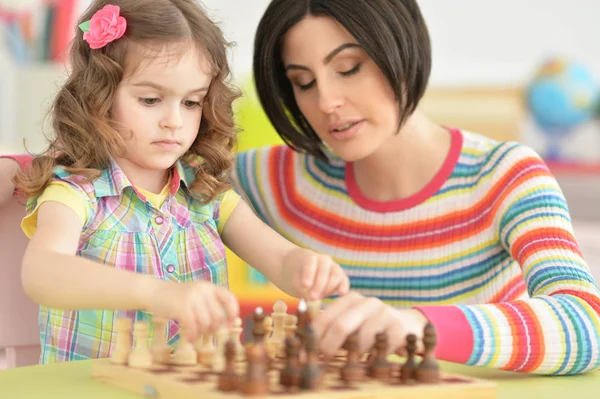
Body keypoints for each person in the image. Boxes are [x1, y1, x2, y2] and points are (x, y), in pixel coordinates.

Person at [2, 0, 599, 375]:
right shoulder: (277, 179)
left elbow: (586, 326)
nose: (328, 104)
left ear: (403, 50)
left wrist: (414, 322)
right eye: (302, 81)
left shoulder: (507, 176)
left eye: (350, 67)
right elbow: (103, 180)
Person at [0, 0, 349, 364]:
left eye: (192, 102)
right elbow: (43, 272)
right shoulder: (76, 191)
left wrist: (304, 269)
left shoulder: (205, 190)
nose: (174, 121)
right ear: (98, 98)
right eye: (151, 99)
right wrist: (155, 294)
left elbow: (278, 259)